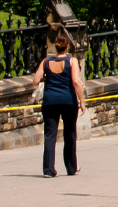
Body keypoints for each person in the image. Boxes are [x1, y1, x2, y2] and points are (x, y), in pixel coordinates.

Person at [34, 35, 87, 178]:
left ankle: (48, 170)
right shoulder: (72, 61)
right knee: (70, 133)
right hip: (68, 100)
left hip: (50, 101)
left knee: (50, 135)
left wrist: (46, 77)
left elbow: (35, 80)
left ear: (55, 46)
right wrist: (81, 101)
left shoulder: (46, 61)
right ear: (67, 46)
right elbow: (76, 81)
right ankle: (71, 166)